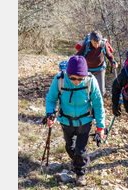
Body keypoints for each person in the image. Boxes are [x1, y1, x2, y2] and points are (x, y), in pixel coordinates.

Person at [45, 55, 105, 186]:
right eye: (73, 78)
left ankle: (80, 173)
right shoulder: (59, 80)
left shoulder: (90, 81)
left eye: (80, 78)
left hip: (85, 121)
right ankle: (80, 160)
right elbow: (51, 99)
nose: (77, 81)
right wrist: (50, 114)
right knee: (70, 147)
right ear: (67, 73)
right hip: (66, 121)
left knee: (80, 148)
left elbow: (98, 105)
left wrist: (100, 127)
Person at [76, 30, 118, 96]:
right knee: (87, 90)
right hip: (87, 70)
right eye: (94, 43)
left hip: (100, 69)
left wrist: (113, 62)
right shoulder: (86, 45)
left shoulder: (103, 45)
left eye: (98, 43)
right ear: (91, 40)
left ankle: (98, 104)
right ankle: (88, 104)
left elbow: (109, 55)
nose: (97, 45)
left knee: (101, 91)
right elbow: (78, 55)